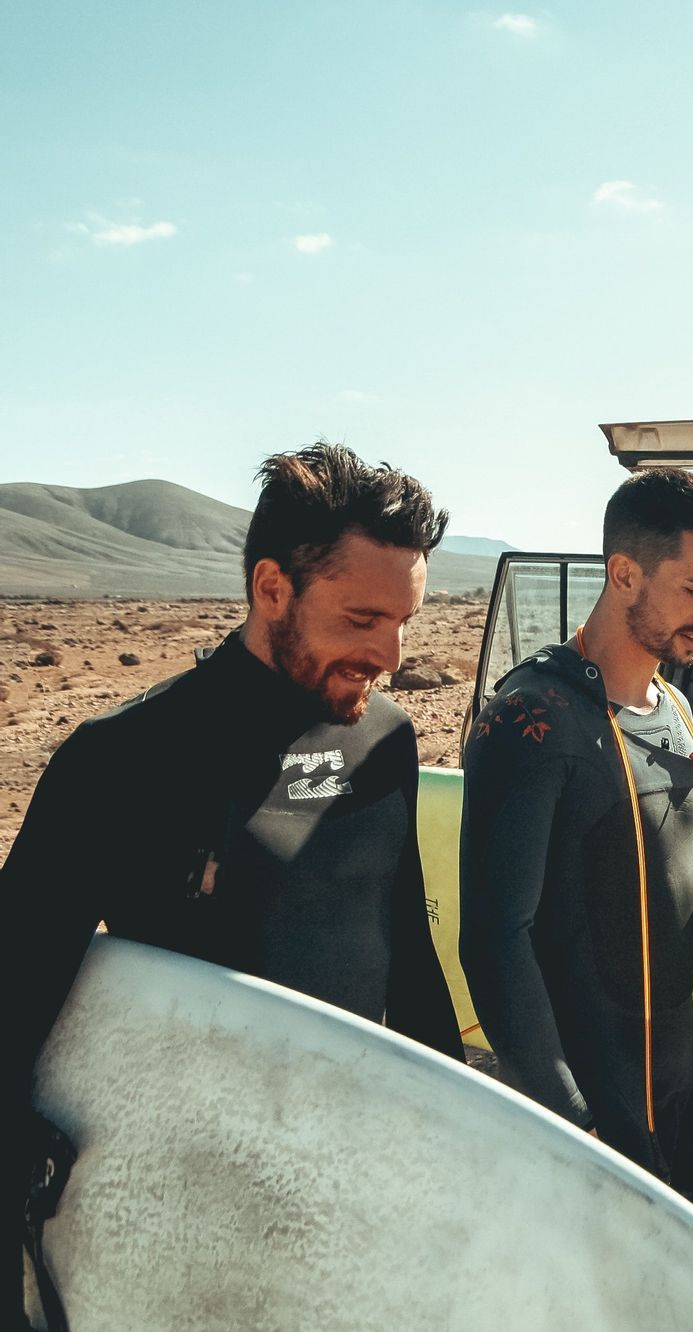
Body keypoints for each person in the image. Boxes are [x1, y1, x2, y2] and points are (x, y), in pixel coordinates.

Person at [10, 444, 464, 1313]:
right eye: (364, 618)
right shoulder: (124, 760)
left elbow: (401, 942)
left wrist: (451, 1124)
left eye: (405, 620)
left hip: (347, 1172)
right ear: (271, 590)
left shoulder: (385, 741)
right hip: (181, 1206)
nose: (392, 655)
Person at [460, 468, 693, 1205]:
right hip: (594, 1082)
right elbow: (495, 941)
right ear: (624, 573)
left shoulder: (677, 705)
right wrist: (571, 1119)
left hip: (679, 1067)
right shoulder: (533, 719)